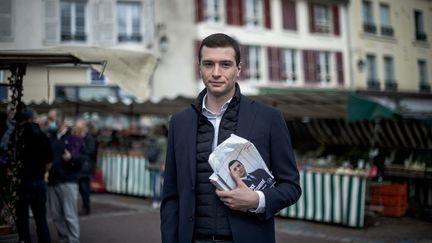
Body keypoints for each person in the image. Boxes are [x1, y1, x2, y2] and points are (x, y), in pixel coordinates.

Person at [160, 33, 301, 243]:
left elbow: (291, 187)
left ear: (239, 69)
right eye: (208, 64)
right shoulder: (179, 123)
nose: (216, 73)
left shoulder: (269, 118)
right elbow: (171, 197)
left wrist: (257, 200)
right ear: (199, 68)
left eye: (225, 64)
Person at [46, 108, 88, 243]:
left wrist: (72, 157)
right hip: (53, 181)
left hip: (68, 180)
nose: (50, 122)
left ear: (60, 119)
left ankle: (74, 240)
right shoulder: (51, 137)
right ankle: (63, 238)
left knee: (70, 215)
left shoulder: (73, 137)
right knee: (56, 215)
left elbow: (84, 157)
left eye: (52, 119)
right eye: (49, 119)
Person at [15, 107, 52, 243]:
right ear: (32, 119)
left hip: (23, 181)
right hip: (39, 181)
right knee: (41, 219)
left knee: (23, 221)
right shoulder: (43, 136)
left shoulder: (17, 136)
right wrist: (41, 172)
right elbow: (49, 162)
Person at [75, 119, 97, 215]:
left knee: (85, 189)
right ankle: (84, 206)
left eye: (78, 127)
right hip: (79, 166)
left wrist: (80, 148)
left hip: (85, 167)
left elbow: (91, 151)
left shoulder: (89, 137)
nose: (77, 129)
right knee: (80, 188)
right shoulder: (77, 136)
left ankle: (86, 207)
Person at [145, 124, 167, 209]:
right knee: (158, 185)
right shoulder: (163, 140)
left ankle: (155, 200)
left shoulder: (150, 139)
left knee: (154, 184)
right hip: (159, 166)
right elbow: (164, 154)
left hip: (151, 165)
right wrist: (163, 164)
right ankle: (157, 200)